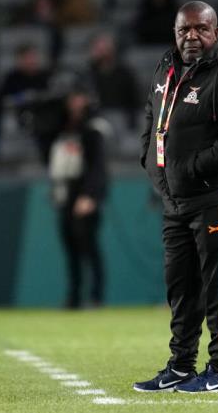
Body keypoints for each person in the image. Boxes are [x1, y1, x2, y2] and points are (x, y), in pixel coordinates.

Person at [134, 1, 218, 394]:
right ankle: (181, 366)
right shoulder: (165, 69)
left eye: (200, 29)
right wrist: (153, 165)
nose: (191, 36)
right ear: (174, 33)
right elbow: (153, 123)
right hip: (176, 202)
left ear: (215, 33)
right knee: (181, 288)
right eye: (184, 30)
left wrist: (191, 169)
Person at [47, 84, 108, 309]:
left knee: (89, 246)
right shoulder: (61, 127)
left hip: (84, 191)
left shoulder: (92, 128)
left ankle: (96, 296)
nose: (74, 103)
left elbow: (98, 167)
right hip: (66, 191)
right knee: (70, 248)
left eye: (78, 98)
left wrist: (90, 195)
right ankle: (74, 296)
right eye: (71, 98)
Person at [87, 32, 142, 127]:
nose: (102, 52)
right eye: (98, 49)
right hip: (97, 115)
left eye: (104, 49)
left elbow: (133, 100)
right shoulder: (89, 74)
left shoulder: (124, 73)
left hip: (121, 115)